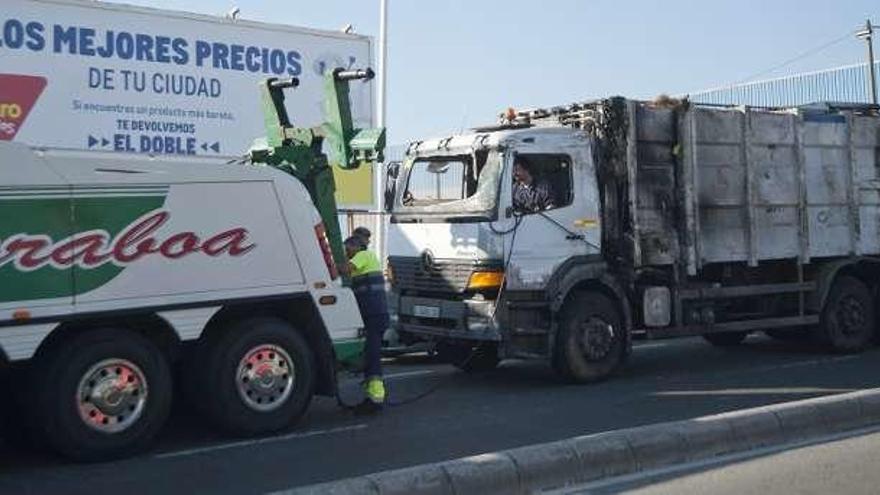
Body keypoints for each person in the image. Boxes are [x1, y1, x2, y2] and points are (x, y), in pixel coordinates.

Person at [342, 235, 388, 413]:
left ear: (356, 247)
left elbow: (345, 269)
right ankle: (372, 397)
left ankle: (375, 399)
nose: (347, 253)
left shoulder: (364, 256)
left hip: (374, 315)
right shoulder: (365, 261)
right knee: (370, 354)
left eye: (347, 249)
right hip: (373, 315)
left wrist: (328, 265)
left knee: (372, 356)